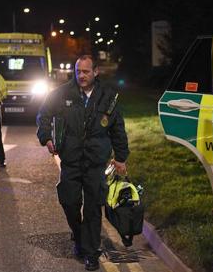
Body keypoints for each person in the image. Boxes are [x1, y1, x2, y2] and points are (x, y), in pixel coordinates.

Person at [36, 55, 129, 271]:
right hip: (71, 159)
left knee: (93, 208)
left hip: (96, 162)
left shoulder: (108, 96)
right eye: (78, 71)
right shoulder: (61, 94)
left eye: (86, 72)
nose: (81, 76)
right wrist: (46, 138)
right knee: (69, 201)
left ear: (95, 72)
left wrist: (121, 157)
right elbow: (43, 116)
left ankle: (90, 252)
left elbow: (117, 128)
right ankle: (78, 236)